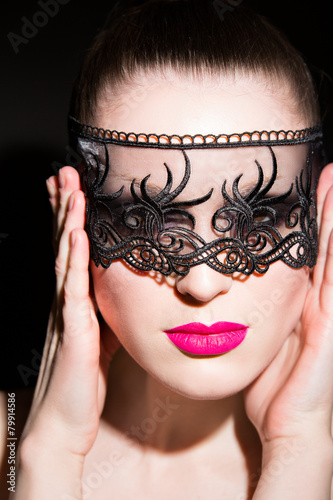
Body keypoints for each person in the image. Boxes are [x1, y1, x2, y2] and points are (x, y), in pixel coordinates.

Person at [9, 1, 333, 498]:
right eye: (147, 223)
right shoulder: (7, 443)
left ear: (320, 215)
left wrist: (301, 449)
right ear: (74, 216)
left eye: (260, 222)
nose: (202, 284)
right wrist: (46, 457)